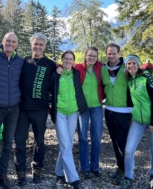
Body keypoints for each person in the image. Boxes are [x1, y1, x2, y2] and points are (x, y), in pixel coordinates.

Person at [14, 33, 56, 185]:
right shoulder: (23, 62)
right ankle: (20, 171)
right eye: (35, 44)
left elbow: (55, 86)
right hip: (22, 109)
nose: (37, 47)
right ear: (31, 45)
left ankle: (37, 169)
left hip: (40, 109)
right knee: (19, 141)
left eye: (41, 44)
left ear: (44, 47)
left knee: (39, 141)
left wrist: (54, 107)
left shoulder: (50, 65)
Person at [0, 32, 24, 189]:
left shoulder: (20, 61)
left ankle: (3, 174)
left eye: (14, 42)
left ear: (17, 44)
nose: (11, 44)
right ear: (3, 41)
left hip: (13, 108)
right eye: (8, 41)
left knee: (7, 143)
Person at [121, 55, 153, 189]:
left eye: (134, 63)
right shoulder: (129, 80)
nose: (131, 66)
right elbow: (130, 100)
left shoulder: (146, 78)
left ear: (138, 64)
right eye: (128, 64)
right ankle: (128, 177)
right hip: (138, 121)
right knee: (128, 150)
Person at [50, 50, 88, 189]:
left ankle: (59, 172)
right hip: (60, 112)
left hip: (73, 113)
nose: (68, 61)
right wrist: (56, 68)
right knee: (65, 145)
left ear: (73, 61)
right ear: (62, 60)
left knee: (68, 145)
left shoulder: (76, 74)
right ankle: (73, 178)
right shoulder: (56, 74)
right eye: (65, 59)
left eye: (70, 59)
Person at [100, 43, 132, 185]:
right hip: (109, 111)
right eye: (109, 53)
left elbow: (142, 78)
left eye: (114, 53)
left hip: (124, 111)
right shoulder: (103, 69)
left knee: (123, 142)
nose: (111, 56)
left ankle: (127, 170)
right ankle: (120, 166)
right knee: (114, 141)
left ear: (119, 54)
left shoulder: (127, 68)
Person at [74, 47, 105, 178]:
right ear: (85, 56)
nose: (92, 58)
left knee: (97, 138)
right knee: (82, 138)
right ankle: (85, 167)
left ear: (97, 57)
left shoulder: (100, 67)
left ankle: (95, 167)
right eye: (89, 55)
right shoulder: (78, 68)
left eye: (94, 56)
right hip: (83, 108)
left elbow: (117, 63)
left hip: (97, 106)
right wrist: (58, 66)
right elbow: (65, 64)